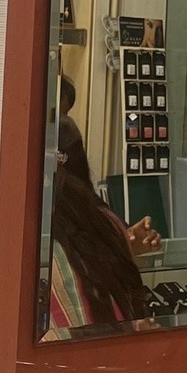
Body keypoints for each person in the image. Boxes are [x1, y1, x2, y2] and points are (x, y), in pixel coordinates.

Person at [47, 76, 156, 333]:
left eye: (64, 114)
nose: (61, 122)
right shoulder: (95, 219)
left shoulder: (97, 217)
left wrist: (125, 240)